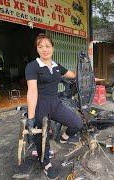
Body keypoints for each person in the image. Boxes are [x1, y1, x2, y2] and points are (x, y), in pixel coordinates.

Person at [25, 33, 83, 178]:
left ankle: (63, 137)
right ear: (37, 49)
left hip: (55, 102)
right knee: (42, 137)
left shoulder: (57, 66)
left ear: (53, 48)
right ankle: (45, 164)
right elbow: (32, 92)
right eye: (41, 46)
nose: (45, 49)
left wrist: (88, 74)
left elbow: (74, 75)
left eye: (48, 46)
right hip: (40, 104)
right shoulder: (32, 67)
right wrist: (31, 118)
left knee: (77, 123)